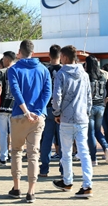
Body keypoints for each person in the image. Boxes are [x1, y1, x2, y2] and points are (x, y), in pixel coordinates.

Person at [7, 39, 52, 203]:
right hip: (38, 117)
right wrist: (37, 112)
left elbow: (15, 91)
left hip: (19, 115)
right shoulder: (43, 70)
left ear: (20, 51)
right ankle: (31, 191)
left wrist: (26, 111)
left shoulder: (13, 70)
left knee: (16, 152)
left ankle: (16, 187)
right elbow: (47, 93)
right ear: (33, 51)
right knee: (33, 154)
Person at [51, 45, 94, 198]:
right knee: (84, 152)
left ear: (64, 57)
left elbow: (57, 96)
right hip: (82, 117)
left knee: (66, 152)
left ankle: (67, 181)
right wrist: (87, 112)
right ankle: (87, 184)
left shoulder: (61, 74)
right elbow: (89, 97)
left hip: (66, 118)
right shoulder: (84, 74)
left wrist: (56, 112)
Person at [39, 44, 62, 177]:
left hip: (46, 107)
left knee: (46, 139)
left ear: (49, 55)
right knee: (62, 140)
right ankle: (63, 169)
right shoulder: (64, 70)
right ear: (60, 56)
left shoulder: (44, 70)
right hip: (60, 109)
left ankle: (44, 168)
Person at [85, 55, 108, 165]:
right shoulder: (103, 75)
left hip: (90, 106)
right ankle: (106, 147)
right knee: (97, 131)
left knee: (90, 132)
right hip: (101, 106)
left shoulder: (87, 76)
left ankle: (93, 158)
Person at [0, 51, 17, 167]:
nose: (2, 61)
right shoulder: (18, 71)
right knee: (15, 133)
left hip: (2, 106)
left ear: (7, 59)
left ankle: (3, 157)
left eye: (4, 59)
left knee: (3, 133)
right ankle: (15, 156)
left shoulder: (1, 72)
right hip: (15, 107)